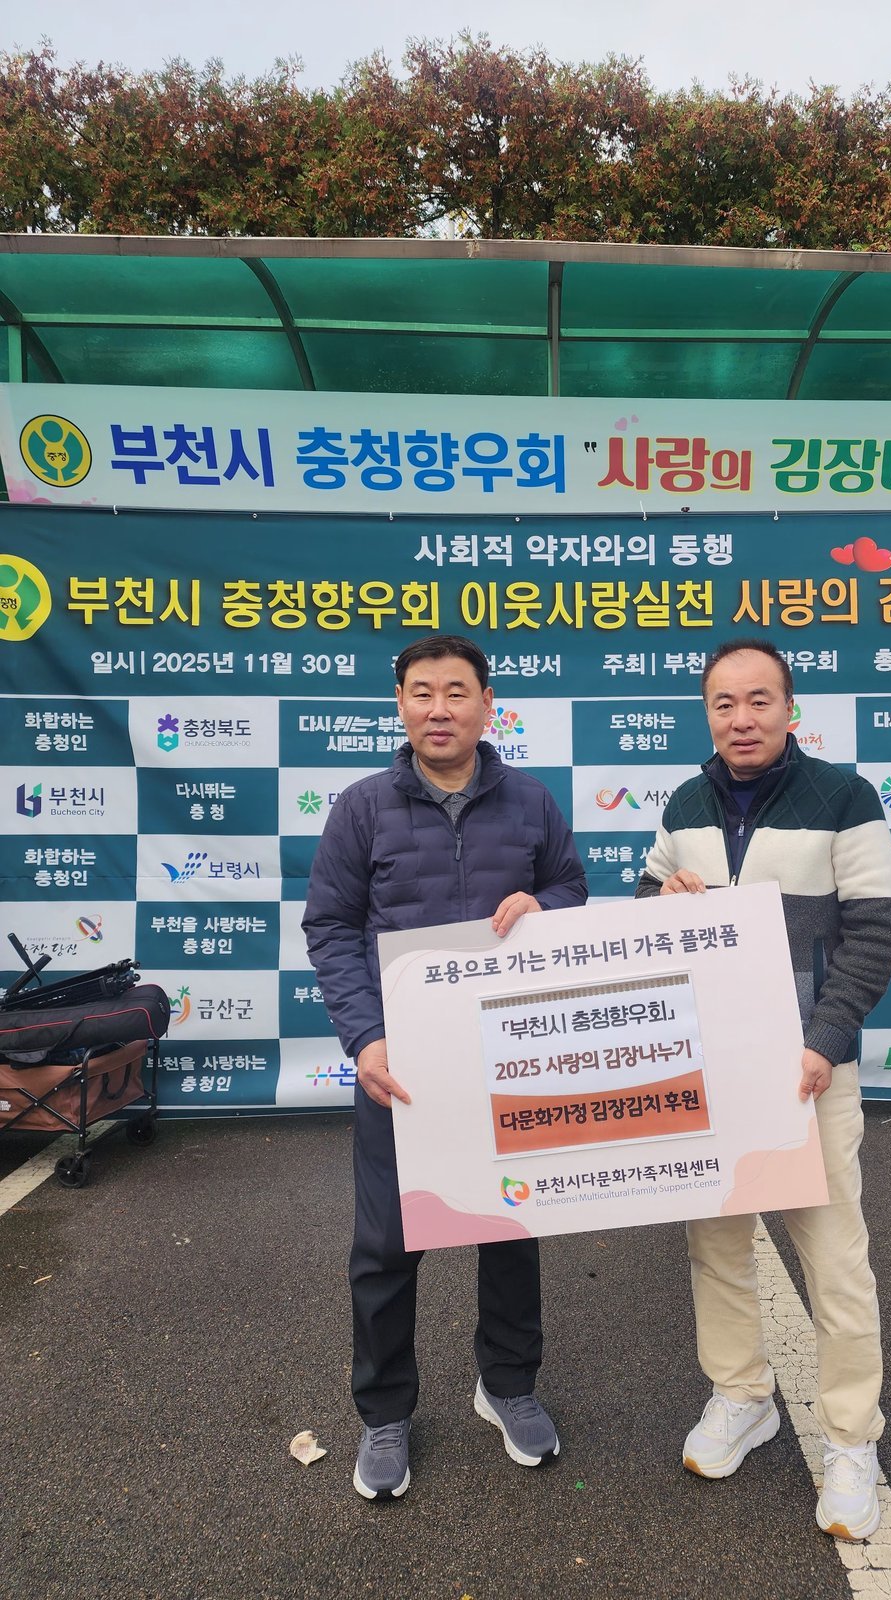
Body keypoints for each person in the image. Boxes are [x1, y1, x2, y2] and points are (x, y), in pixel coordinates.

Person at [303, 634, 588, 1501]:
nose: (439, 709)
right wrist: (366, 1039)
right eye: (422, 692)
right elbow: (331, 928)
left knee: (512, 1227)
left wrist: (544, 903)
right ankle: (385, 1411)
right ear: (400, 705)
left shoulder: (531, 801)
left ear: (487, 705)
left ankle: (508, 1386)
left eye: (457, 692)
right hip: (403, 1069)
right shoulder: (361, 808)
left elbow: (573, 890)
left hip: (509, 1062)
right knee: (386, 1246)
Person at [635, 638, 891, 1542]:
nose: (741, 719)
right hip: (710, 1075)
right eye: (724, 703)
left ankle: (852, 1439)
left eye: (759, 700)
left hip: (807, 1073)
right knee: (715, 1247)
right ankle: (742, 1396)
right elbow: (645, 905)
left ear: (790, 708)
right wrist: (661, 900)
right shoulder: (684, 802)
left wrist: (824, 1043)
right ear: (707, 712)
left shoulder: (845, 797)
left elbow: (874, 934)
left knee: (835, 1261)